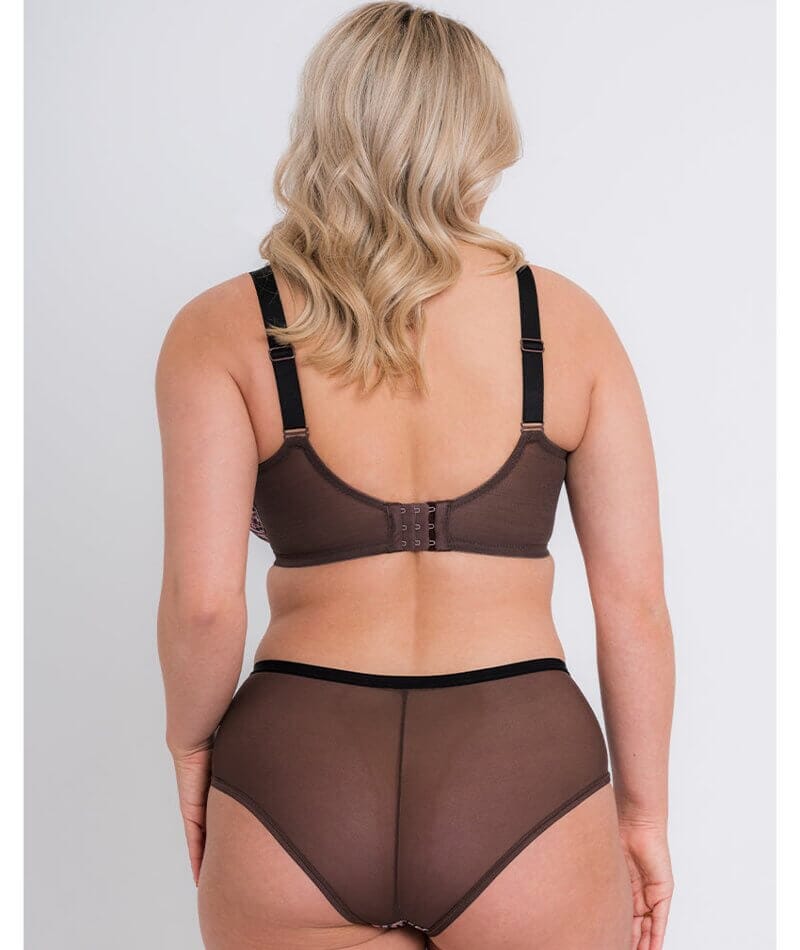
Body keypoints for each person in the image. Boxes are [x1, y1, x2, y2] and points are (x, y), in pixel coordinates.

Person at [156, 4, 675, 948]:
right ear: (482, 136)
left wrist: (190, 744)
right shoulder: (569, 324)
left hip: (297, 771)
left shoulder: (221, 329)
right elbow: (633, 607)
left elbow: (203, 606)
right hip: (522, 770)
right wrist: (643, 815)